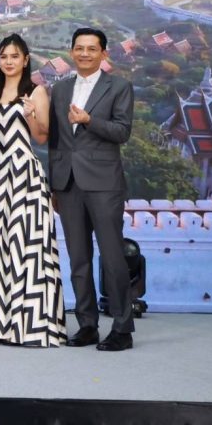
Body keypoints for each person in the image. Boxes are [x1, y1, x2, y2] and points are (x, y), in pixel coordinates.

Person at [49, 28, 135, 352]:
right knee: (79, 258)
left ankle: (122, 328)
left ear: (103, 53)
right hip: (68, 184)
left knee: (113, 258)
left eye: (92, 48)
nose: (85, 53)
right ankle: (87, 325)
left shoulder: (119, 87)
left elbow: (122, 132)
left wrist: (88, 120)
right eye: (79, 48)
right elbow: (56, 141)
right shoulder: (60, 89)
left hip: (104, 184)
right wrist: (54, 184)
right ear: (72, 51)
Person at [0, 33, 66, 347]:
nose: (8, 61)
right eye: (4, 56)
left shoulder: (36, 91)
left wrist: (31, 114)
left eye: (14, 56)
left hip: (24, 174)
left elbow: (41, 137)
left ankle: (32, 326)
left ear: (26, 59)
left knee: (28, 245)